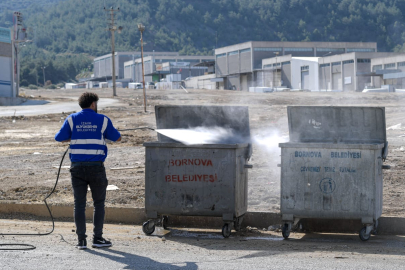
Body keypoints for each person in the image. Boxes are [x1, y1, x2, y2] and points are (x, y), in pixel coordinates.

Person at [55, 92, 121, 250]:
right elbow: (117, 138)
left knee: (79, 205)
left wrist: (73, 136)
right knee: (99, 204)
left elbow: (59, 137)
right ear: (93, 104)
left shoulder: (71, 119)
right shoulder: (103, 120)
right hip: (96, 168)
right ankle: (97, 239)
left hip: (77, 168)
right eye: (96, 104)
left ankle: (81, 241)